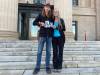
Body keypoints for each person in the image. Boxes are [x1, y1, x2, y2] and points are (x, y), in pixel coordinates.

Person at [33, 4, 54, 74]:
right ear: (44, 8)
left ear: (50, 9)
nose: (47, 8)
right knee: (39, 52)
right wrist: (39, 23)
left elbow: (55, 25)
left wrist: (52, 25)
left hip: (49, 36)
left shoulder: (51, 16)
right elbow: (34, 22)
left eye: (49, 7)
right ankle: (37, 67)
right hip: (42, 36)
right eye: (46, 7)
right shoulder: (40, 15)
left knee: (48, 52)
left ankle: (47, 67)